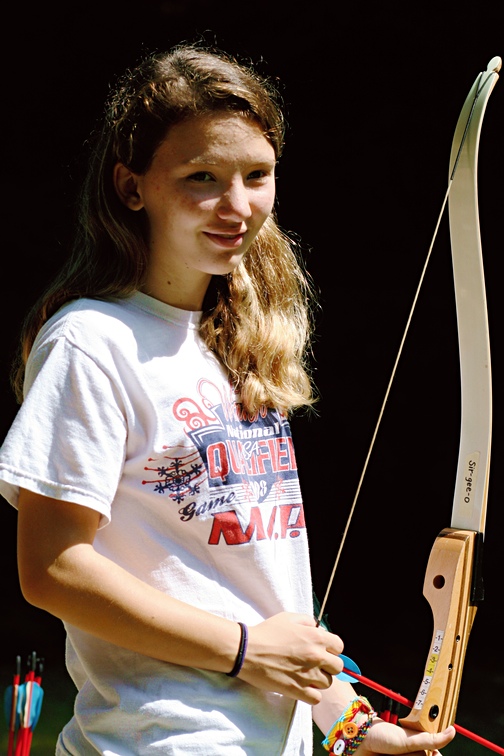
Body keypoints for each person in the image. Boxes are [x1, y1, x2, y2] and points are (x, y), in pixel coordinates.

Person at [0, 45, 455, 755]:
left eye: (257, 176)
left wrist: (345, 718)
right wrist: (246, 650)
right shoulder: (92, 342)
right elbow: (52, 568)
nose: (236, 205)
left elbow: (251, 595)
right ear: (131, 187)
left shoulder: (239, 345)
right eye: (201, 178)